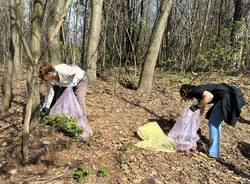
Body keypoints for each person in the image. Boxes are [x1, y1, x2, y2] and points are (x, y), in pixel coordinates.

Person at [180, 83, 246, 158]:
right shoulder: (200, 91)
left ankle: (213, 152)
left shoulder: (196, 90)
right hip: (234, 98)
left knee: (213, 124)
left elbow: (209, 96)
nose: (187, 99)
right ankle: (215, 146)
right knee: (215, 122)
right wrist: (196, 120)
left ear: (186, 93)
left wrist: (197, 106)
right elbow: (202, 106)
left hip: (227, 99)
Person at [39, 62, 93, 139]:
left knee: (79, 101)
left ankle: (82, 126)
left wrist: (74, 82)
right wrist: (47, 106)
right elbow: (50, 92)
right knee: (59, 101)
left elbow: (78, 72)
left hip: (80, 80)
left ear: (49, 73)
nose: (43, 80)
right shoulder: (49, 80)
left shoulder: (62, 70)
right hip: (66, 85)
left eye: (43, 77)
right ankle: (66, 123)